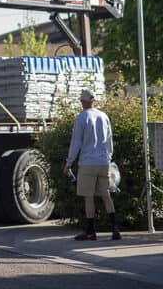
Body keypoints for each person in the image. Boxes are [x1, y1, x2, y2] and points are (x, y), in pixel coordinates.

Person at [63, 88, 121, 241]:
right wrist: (108, 158)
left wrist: (69, 163)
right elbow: (109, 141)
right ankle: (115, 229)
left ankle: (90, 232)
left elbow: (76, 143)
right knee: (106, 195)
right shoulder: (104, 116)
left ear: (82, 101)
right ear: (93, 100)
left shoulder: (81, 118)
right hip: (103, 162)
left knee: (88, 197)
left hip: (88, 163)